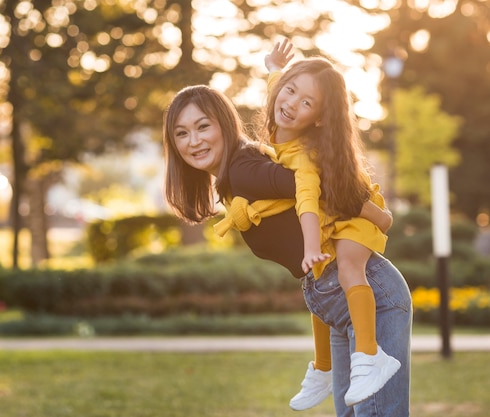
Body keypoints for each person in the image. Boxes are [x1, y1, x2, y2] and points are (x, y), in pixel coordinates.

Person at [162, 84, 412, 417]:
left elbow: (316, 183)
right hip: (335, 303)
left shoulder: (242, 169)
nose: (193, 141)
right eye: (182, 133)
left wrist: (380, 216)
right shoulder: (234, 178)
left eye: (202, 126)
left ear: (223, 123)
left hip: (368, 294)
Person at [257, 39, 400, 409]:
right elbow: (278, 83)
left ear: (318, 118)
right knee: (320, 277)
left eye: (307, 103)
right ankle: (323, 366)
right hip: (337, 213)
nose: (291, 104)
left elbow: (307, 202)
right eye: (291, 91)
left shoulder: (305, 156)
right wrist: (274, 65)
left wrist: (310, 247)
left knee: (350, 266)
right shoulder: (282, 105)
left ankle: (370, 355)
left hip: (356, 216)